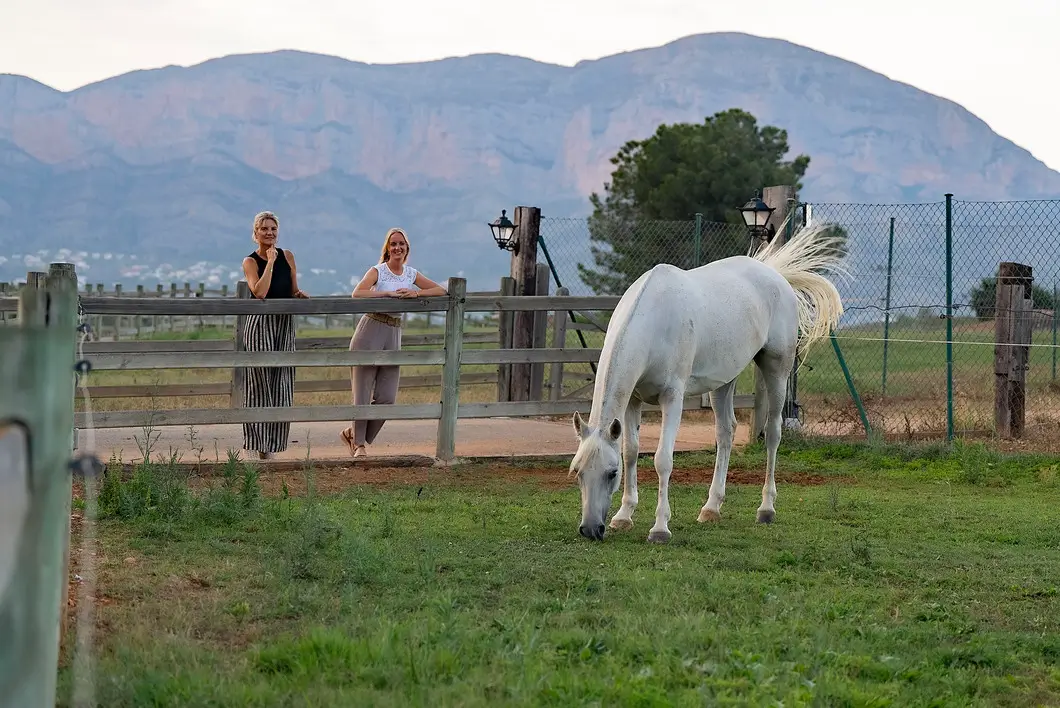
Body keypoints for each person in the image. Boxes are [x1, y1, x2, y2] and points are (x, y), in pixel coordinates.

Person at [341, 227, 446, 457]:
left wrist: (416, 294)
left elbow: (441, 290)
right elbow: (358, 293)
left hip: (394, 332)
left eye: (401, 244)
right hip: (370, 328)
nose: (397, 247)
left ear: (407, 248)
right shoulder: (378, 271)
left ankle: (353, 433)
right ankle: (359, 444)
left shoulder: (411, 274)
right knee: (362, 391)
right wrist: (386, 295)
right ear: (387, 249)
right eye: (393, 244)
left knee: (387, 398)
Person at [240, 211, 309, 460]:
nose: (269, 233)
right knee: (260, 381)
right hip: (260, 323)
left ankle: (275, 444)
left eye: (273, 229)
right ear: (256, 233)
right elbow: (259, 292)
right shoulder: (250, 261)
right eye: (264, 229)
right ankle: (259, 444)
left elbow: (291, 289)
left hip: (284, 321)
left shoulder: (288, 256)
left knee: (282, 382)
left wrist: (298, 295)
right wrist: (269, 262)